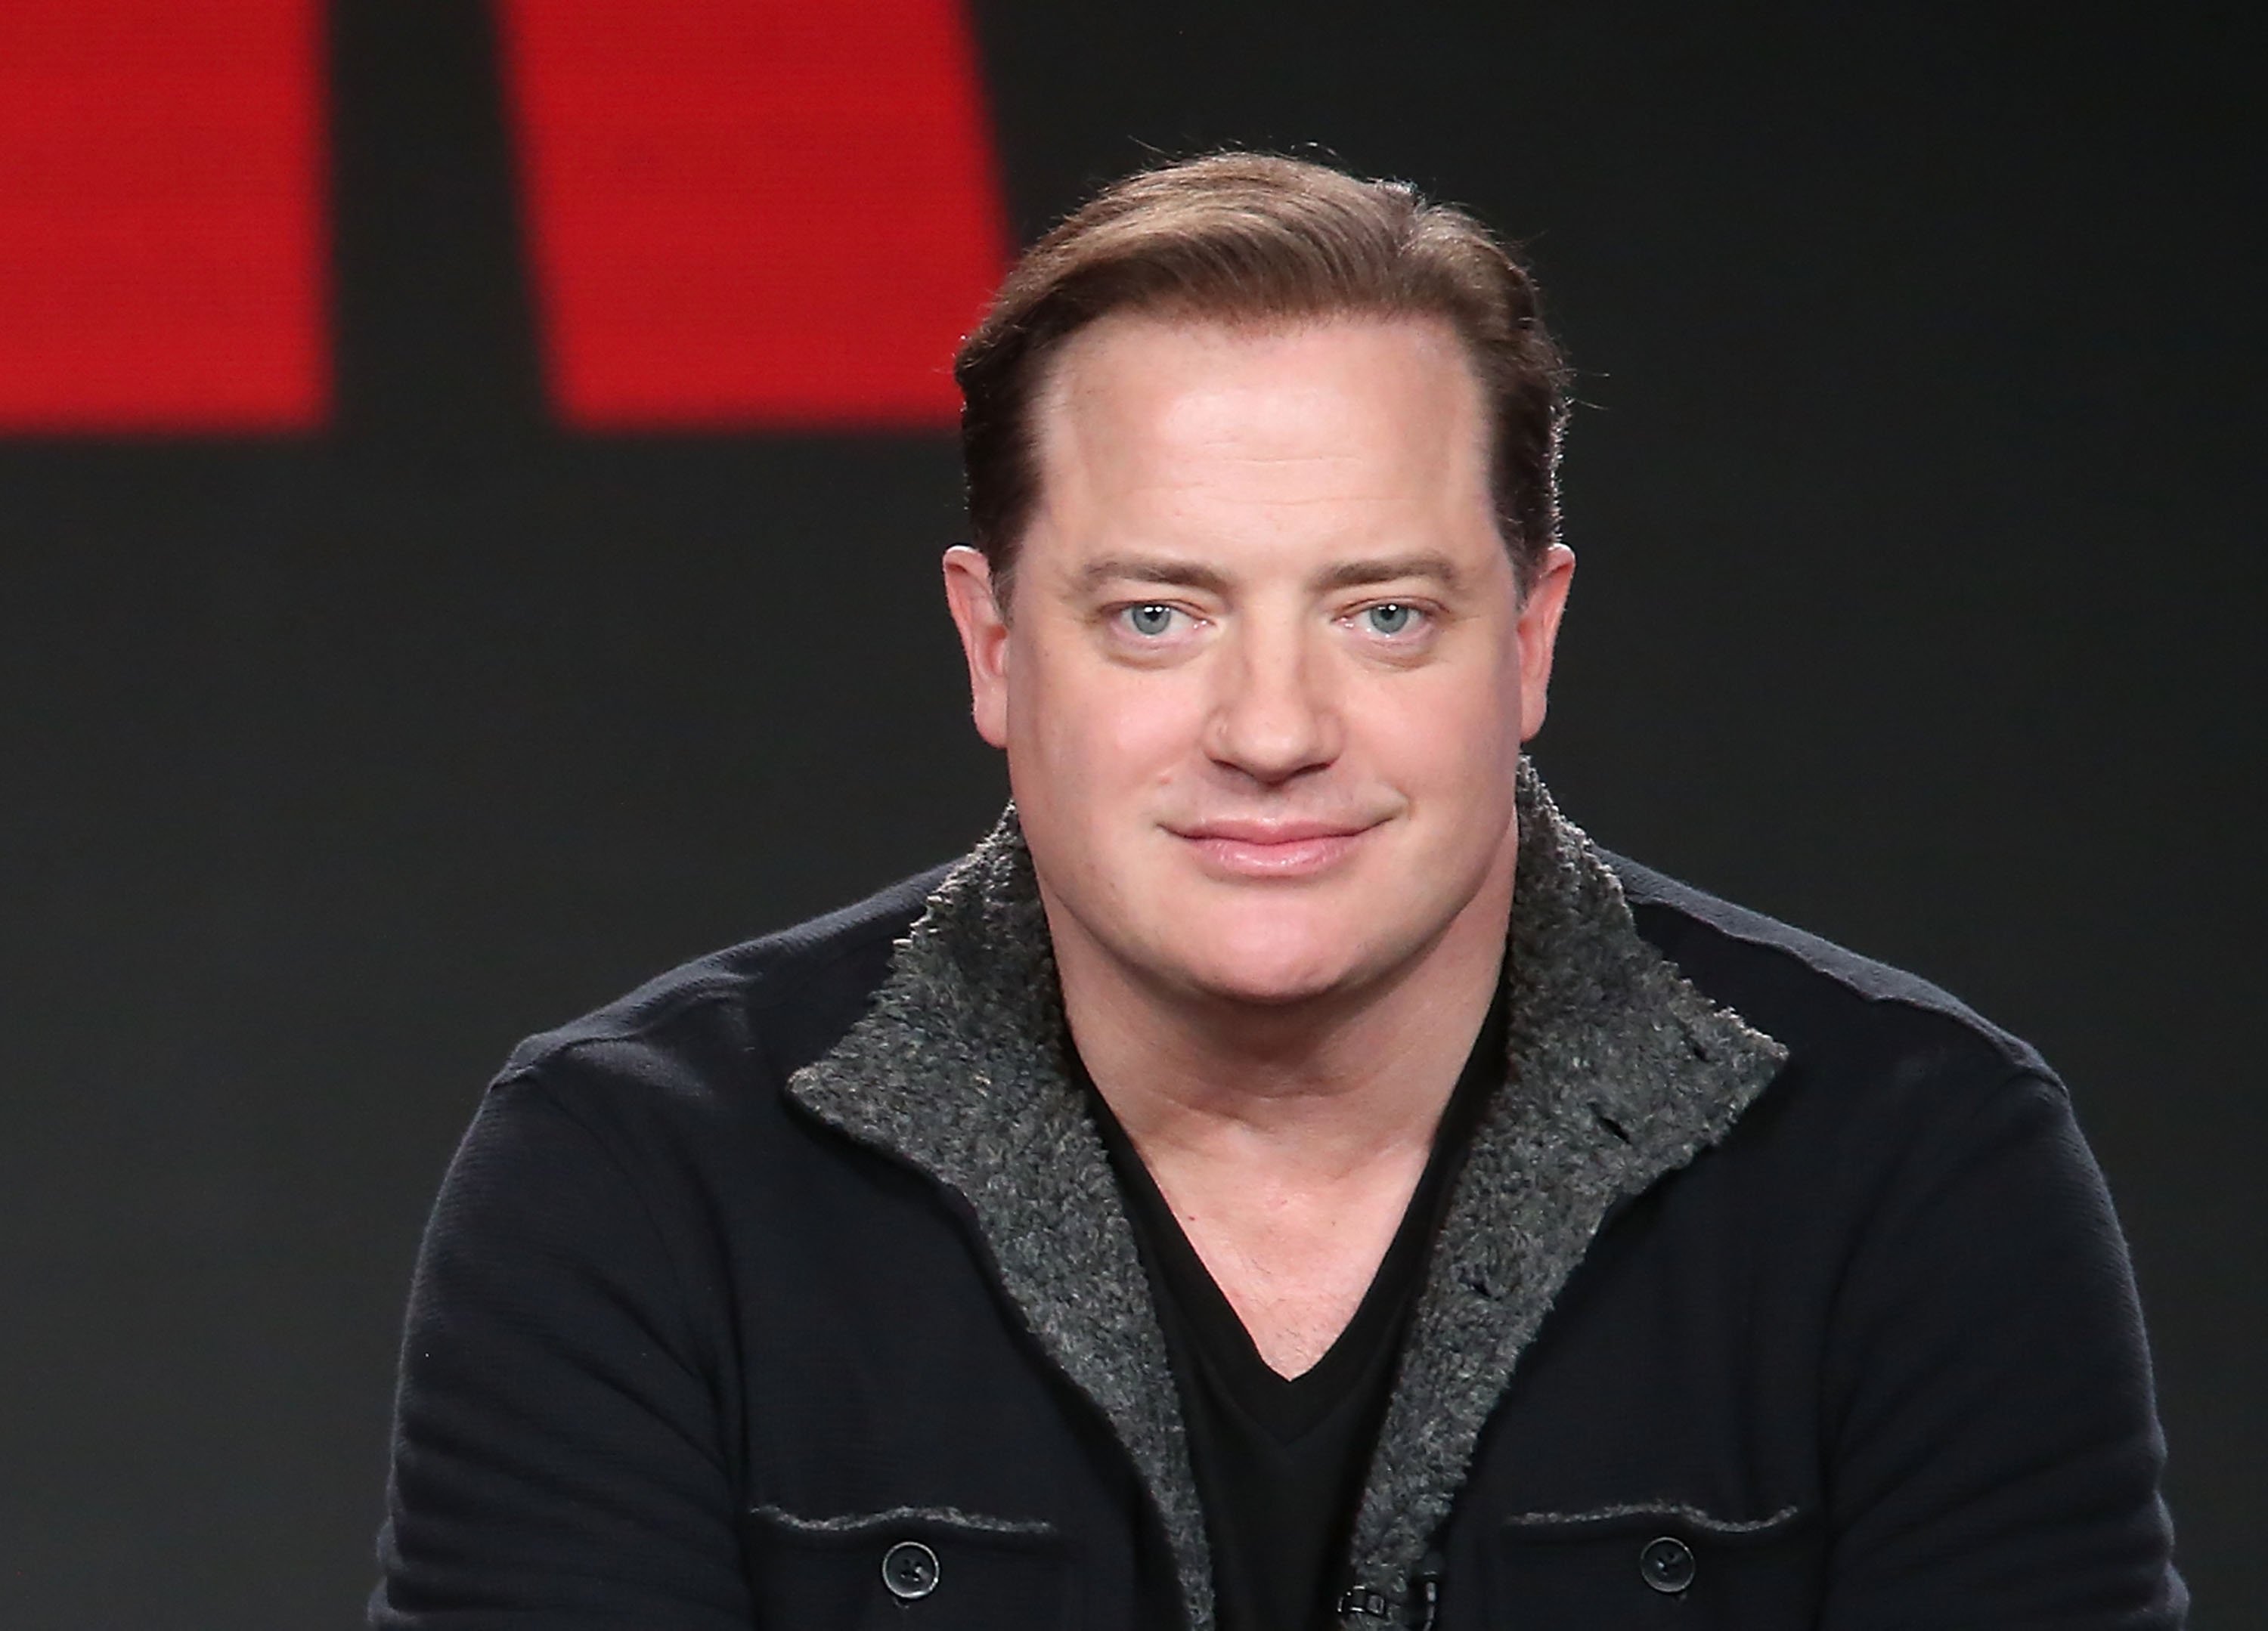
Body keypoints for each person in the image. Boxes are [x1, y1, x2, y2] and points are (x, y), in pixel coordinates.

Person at [369, 153, 2185, 1629]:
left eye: (1382, 613)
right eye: (1157, 614)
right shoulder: (641, 1177)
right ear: (993, 645)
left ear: (1532, 639)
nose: (1271, 728)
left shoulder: (1909, 1163)